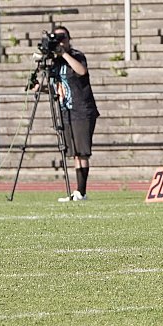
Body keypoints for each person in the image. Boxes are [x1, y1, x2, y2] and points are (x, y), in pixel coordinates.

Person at [42, 26, 99, 202]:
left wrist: (64, 54)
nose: (61, 42)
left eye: (63, 38)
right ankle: (78, 192)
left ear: (69, 39)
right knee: (75, 153)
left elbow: (82, 71)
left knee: (82, 152)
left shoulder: (76, 56)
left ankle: (82, 191)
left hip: (82, 109)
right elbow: (56, 87)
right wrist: (40, 87)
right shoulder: (55, 62)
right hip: (66, 111)